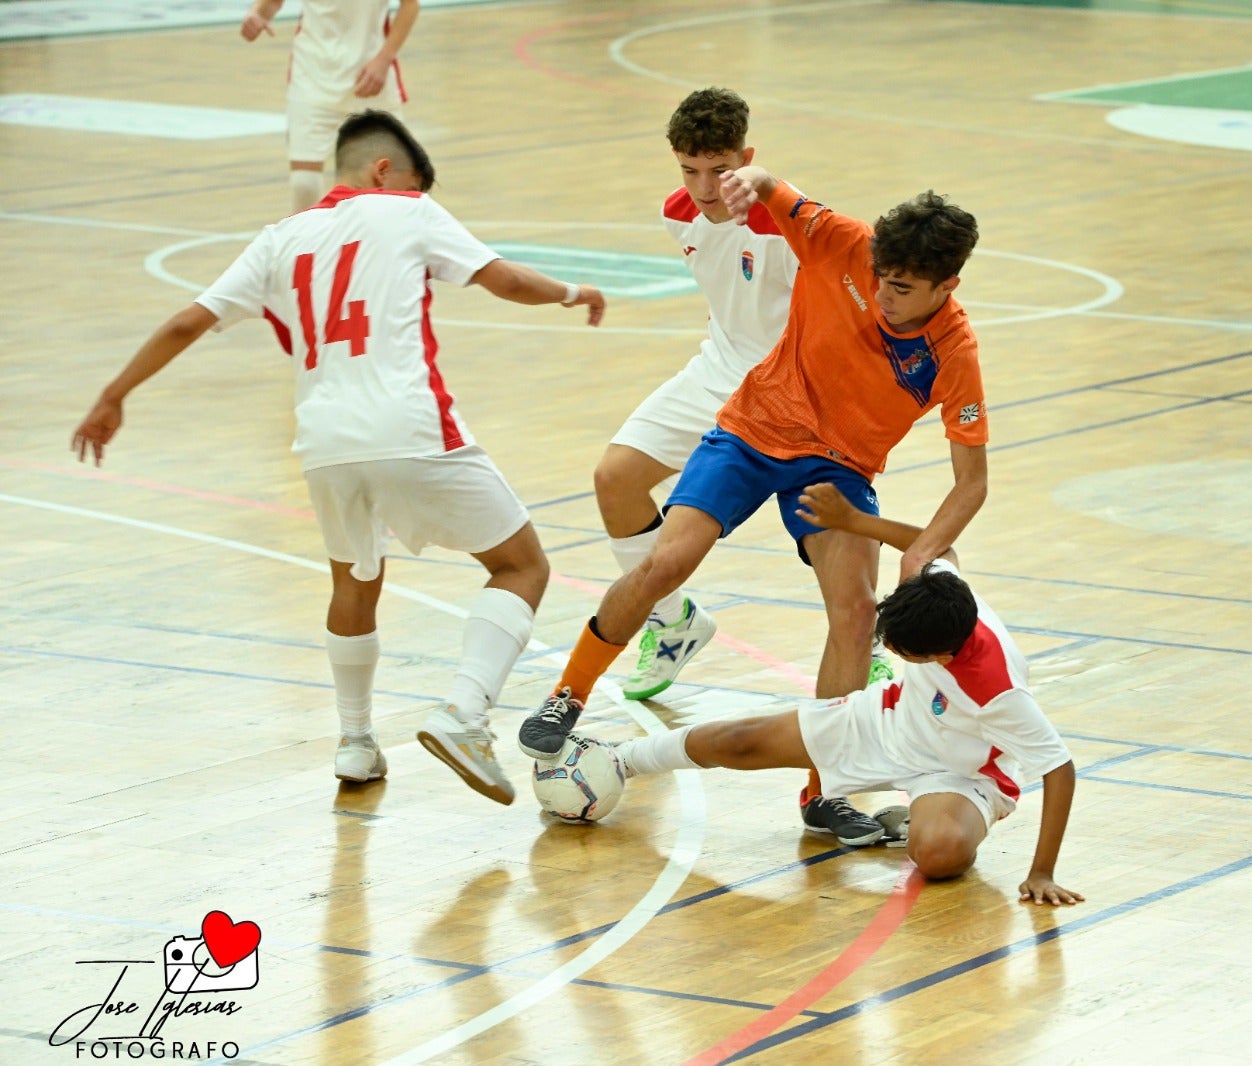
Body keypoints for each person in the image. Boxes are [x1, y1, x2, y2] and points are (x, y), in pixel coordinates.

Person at [70, 110, 606, 806]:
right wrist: (573, 292)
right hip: (409, 426)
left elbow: (184, 322)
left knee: (354, 580)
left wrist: (113, 395)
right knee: (521, 564)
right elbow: (502, 280)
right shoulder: (407, 211)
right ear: (384, 171)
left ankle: (354, 742)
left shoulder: (278, 239)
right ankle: (464, 714)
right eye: (410, 182)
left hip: (323, 444)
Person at [520, 164, 989, 845]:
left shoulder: (954, 351)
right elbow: (774, 189)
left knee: (856, 611)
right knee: (664, 564)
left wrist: (920, 551)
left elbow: (971, 482)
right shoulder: (842, 241)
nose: (883, 295)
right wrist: (752, 179)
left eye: (903, 288)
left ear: (947, 286)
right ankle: (567, 696)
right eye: (881, 279)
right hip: (751, 431)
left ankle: (824, 792)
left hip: (836, 468)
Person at [614, 484, 1084, 905]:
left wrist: (1041, 872)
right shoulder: (940, 593)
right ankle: (619, 760)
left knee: (939, 855)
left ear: (940, 656)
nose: (887, 648)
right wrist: (853, 521)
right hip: (889, 720)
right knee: (739, 741)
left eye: (900, 650)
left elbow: (1059, 770)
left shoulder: (1000, 692)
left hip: (961, 773)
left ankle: (930, 818)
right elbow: (936, 546)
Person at [600, 87, 896, 701]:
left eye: (719, 169)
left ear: (747, 158)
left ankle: (865, 646)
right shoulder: (677, 212)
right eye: (689, 170)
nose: (704, 187)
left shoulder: (789, 225)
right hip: (718, 371)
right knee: (615, 478)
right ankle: (673, 624)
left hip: (795, 390)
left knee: (833, 538)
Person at [241, 0, 420, 212]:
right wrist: (258, 14)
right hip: (312, 75)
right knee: (304, 184)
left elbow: (410, 5)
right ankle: (310, 234)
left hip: (372, 78)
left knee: (396, 182)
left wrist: (384, 59)